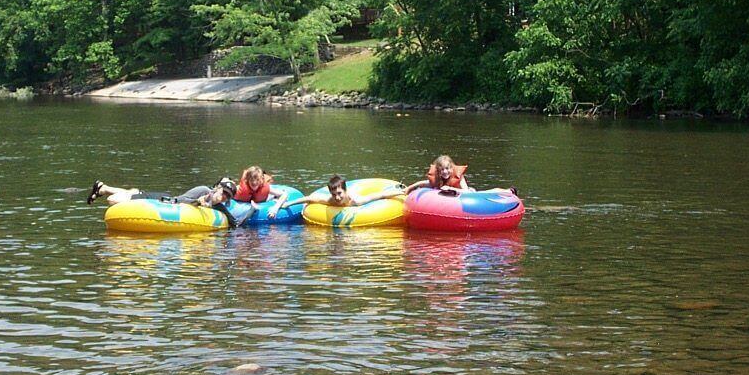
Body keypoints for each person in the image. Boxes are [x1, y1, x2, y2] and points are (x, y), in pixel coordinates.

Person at [87, 177, 253, 228]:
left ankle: (103, 187)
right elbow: (187, 203)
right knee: (112, 201)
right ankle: (105, 190)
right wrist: (199, 202)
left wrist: (252, 210)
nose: (224, 197)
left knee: (133, 193)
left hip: (164, 198)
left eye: (227, 196)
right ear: (217, 188)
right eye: (223, 192)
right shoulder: (204, 191)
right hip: (162, 201)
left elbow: (234, 222)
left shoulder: (218, 206)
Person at [275, 174, 403, 212]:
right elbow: (309, 198)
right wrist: (287, 204)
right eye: (334, 194)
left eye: (339, 193)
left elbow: (381, 195)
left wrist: (400, 192)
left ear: (345, 191)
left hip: (356, 197)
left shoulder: (356, 201)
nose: (337, 197)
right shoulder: (330, 200)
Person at [404, 155, 471, 194]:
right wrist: (409, 188)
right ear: (438, 171)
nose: (445, 172)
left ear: (452, 169)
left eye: (447, 168)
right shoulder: (437, 178)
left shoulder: (459, 177)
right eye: (442, 169)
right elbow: (423, 183)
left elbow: (467, 191)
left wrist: (450, 189)